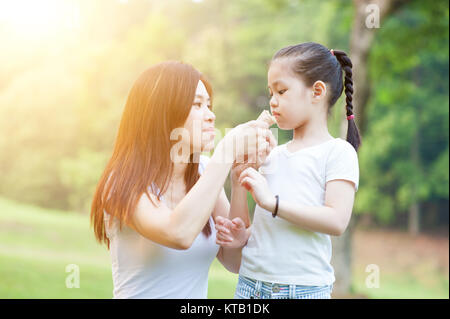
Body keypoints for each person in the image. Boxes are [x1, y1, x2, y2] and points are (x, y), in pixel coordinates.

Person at [90, 61, 276, 298]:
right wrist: (226, 151)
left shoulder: (205, 171)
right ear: (163, 112)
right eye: (198, 104)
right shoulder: (120, 183)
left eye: (209, 105)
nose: (211, 116)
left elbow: (236, 261)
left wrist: (239, 182)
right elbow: (178, 233)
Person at [215, 42, 361, 299]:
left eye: (281, 91)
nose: (272, 101)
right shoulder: (271, 155)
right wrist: (243, 226)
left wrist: (273, 203)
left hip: (303, 291)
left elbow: (336, 221)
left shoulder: (338, 152)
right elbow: (266, 231)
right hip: (250, 286)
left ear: (317, 92)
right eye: (270, 92)